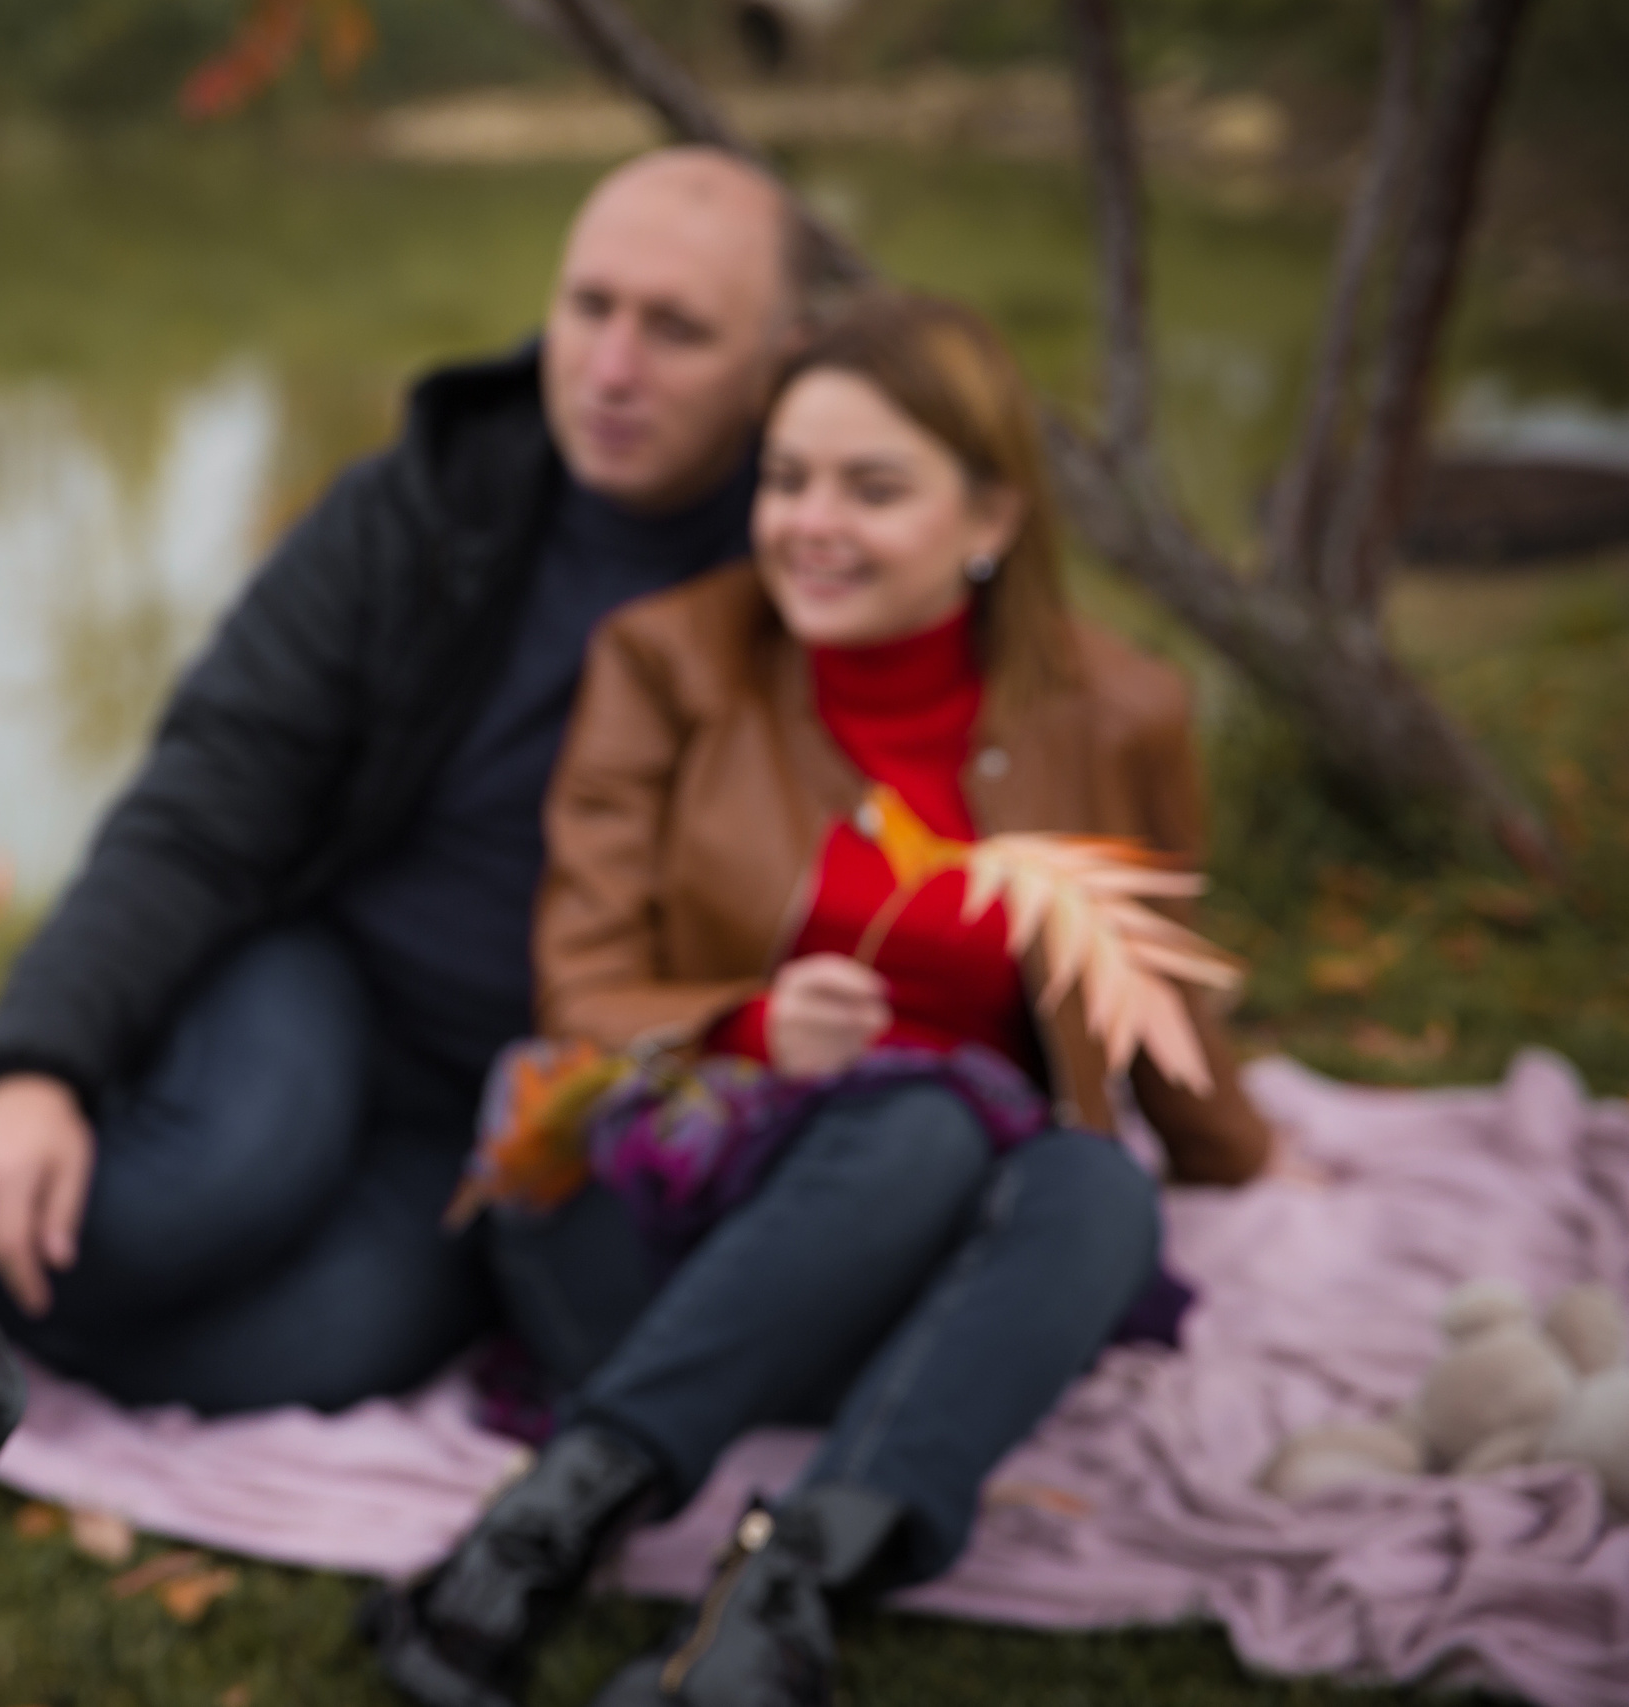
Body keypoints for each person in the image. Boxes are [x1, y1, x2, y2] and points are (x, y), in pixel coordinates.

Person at [364, 293, 1273, 1707]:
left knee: (1096, 1189)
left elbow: (1143, 981)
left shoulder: (1120, 710)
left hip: (906, 1295)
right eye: (787, 478)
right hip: (649, 1234)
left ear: (993, 516)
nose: (809, 521)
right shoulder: (667, 663)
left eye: (872, 485)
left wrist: (1245, 1152)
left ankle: (769, 1615)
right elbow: (580, 987)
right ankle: (545, 1526)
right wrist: (748, 1020)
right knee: (922, 1124)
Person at [0, 148, 807, 1411]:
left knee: (314, 1348)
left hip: (527, 1095)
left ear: (777, 359)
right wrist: (39, 1069)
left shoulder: (824, 560)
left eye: (677, 331)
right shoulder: (425, 503)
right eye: (590, 307)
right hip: (323, 971)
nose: (612, 368)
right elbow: (207, 798)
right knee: (213, 1188)